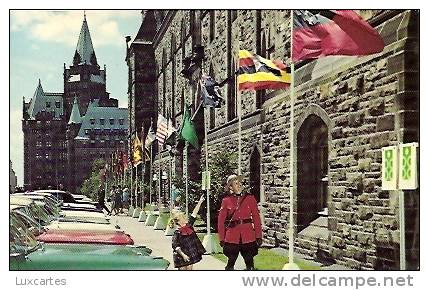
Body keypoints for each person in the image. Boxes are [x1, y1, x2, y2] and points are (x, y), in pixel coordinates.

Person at [217, 174, 262, 270]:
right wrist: (221, 238)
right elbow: (221, 221)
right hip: (232, 236)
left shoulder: (250, 198)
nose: (239, 185)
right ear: (230, 187)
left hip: (248, 235)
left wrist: (258, 235)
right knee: (231, 262)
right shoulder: (226, 201)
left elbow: (256, 218)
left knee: (250, 262)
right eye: (236, 183)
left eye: (240, 183)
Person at [169, 195, 206, 270]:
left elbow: (194, 214)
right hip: (180, 255)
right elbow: (176, 246)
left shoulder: (188, 226)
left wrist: (200, 201)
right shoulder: (177, 233)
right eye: (183, 217)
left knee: (189, 269)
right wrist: (183, 255)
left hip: (189, 252)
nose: (185, 218)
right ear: (179, 221)